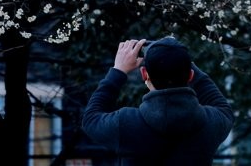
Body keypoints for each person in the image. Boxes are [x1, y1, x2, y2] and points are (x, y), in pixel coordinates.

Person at [82, 36, 234, 165]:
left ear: (144, 73)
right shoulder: (211, 123)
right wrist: (177, 56)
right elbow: (222, 106)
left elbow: (90, 119)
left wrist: (118, 70)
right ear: (190, 75)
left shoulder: (126, 124)